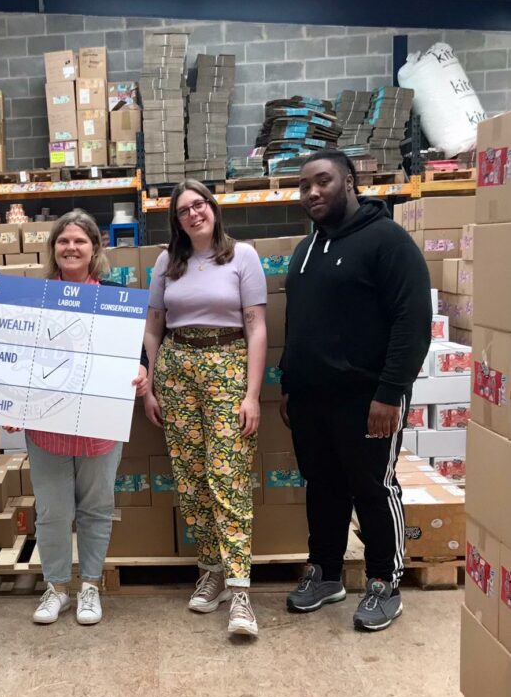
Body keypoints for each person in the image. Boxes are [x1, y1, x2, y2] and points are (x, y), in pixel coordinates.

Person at [281, 150, 431, 632]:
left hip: (368, 397)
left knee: (373, 486)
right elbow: (298, 321)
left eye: (322, 181)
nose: (312, 192)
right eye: (304, 186)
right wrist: (290, 383)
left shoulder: (387, 240)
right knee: (322, 484)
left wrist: (390, 392)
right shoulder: (307, 249)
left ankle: (385, 581)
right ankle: (325, 573)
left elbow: (413, 322)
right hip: (311, 398)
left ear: (348, 181)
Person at [142, 179, 267, 637]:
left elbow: (257, 327)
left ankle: (240, 592)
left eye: (200, 205)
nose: (194, 214)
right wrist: (151, 385)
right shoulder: (167, 262)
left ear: (213, 208)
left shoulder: (242, 256)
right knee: (192, 477)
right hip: (176, 369)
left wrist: (252, 394)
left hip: (227, 366)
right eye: (184, 210)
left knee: (227, 476)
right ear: (176, 221)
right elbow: (153, 326)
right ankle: (211, 570)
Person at [13, 211, 149, 626]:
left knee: (96, 508)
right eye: (63, 241)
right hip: (47, 428)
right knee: (52, 511)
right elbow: (17, 358)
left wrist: (141, 372)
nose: (71, 248)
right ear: (53, 248)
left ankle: (90, 585)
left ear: (94, 249)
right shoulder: (35, 298)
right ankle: (56, 588)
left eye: (79, 241)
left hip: (99, 426)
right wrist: (11, 405)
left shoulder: (115, 297)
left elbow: (137, 353)